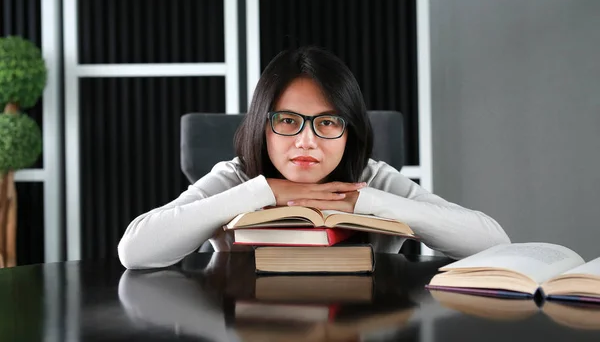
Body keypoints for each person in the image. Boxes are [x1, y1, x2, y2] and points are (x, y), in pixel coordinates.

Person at [118, 46, 510, 269]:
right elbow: (135, 251)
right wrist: (264, 192)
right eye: (288, 120)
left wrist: (365, 201)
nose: (306, 141)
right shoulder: (237, 176)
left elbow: (492, 242)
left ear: (349, 130)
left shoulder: (370, 176)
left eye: (327, 123)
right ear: (261, 124)